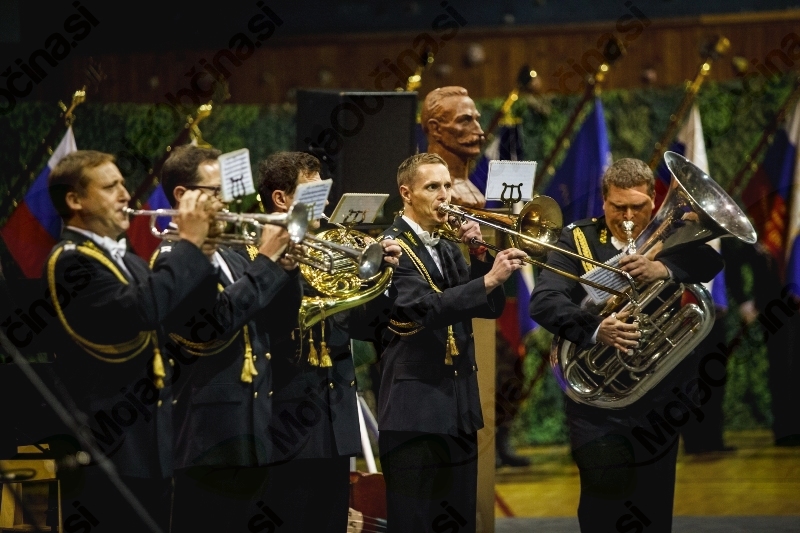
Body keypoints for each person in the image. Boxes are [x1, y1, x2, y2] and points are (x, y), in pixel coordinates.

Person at [529, 158, 723, 533]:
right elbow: (544, 301)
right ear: (604, 202)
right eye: (619, 207)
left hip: (660, 396)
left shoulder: (671, 235)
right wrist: (596, 328)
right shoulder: (577, 239)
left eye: (639, 207)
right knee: (604, 499)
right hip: (597, 403)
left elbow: (710, 262)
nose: (629, 217)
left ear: (654, 200)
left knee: (653, 506)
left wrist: (664, 269)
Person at [44, 150, 214, 531]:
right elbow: (141, 310)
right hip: (107, 449)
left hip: (152, 446)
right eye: (110, 187)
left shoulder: (132, 261)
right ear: (75, 200)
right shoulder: (69, 261)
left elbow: (183, 317)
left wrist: (206, 253)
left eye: (123, 184)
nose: (125, 195)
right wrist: (188, 246)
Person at [377, 152, 527, 533]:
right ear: (406, 193)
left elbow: (488, 307)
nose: (445, 195)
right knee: (413, 523)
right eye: (432, 187)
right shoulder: (390, 247)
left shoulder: (445, 246)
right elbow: (423, 309)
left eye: (446, 186)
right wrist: (488, 279)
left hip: (458, 408)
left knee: (458, 521)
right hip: (415, 412)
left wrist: (479, 256)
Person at [255, 151, 401, 532]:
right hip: (284, 425)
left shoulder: (331, 249)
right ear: (281, 199)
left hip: (335, 424)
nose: (326, 202)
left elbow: (365, 326)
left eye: (325, 191)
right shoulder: (258, 253)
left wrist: (379, 276)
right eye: (313, 192)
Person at [151, 144, 295, 532]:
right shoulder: (172, 258)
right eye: (216, 192)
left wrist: (288, 268)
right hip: (206, 440)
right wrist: (266, 262)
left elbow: (276, 322)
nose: (227, 203)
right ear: (183, 195)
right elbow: (212, 326)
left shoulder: (232, 254)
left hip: (252, 431)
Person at [421, 86, 486, 208]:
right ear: (435, 128)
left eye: (477, 120)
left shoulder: (471, 189)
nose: (479, 131)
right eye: (465, 121)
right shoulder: (428, 188)